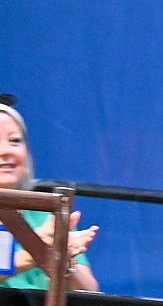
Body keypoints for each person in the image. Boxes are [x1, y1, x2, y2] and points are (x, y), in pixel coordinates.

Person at [0, 96, 100, 292]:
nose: (5, 151)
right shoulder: (47, 229)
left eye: (15, 141)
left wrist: (64, 260)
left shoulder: (47, 214)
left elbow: (91, 292)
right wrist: (37, 250)